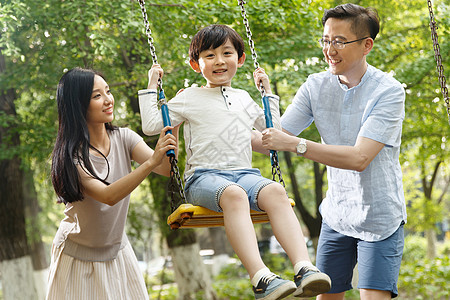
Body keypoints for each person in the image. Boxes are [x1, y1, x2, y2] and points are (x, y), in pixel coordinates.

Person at [138, 24, 331, 300]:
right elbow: (152, 124)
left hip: (245, 174)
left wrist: (267, 94)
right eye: (209, 55)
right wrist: (151, 84)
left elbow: (272, 130)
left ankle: (304, 268)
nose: (219, 61)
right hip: (203, 178)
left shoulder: (244, 99)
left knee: (276, 191)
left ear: (240, 59)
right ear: (196, 64)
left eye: (226, 53)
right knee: (235, 195)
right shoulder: (188, 97)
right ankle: (261, 278)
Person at [256, 3, 407, 300]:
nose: (329, 49)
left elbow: (359, 158)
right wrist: (214, 117)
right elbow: (272, 138)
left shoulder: (388, 91)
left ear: (367, 45)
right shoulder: (316, 85)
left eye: (339, 41)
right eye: (326, 40)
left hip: (379, 218)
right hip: (337, 215)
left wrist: (296, 145)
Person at [46, 67, 178, 299]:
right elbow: (108, 196)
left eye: (107, 91)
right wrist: (149, 163)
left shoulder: (124, 137)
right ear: (78, 105)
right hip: (77, 258)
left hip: (118, 252)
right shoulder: (72, 156)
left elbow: (166, 169)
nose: (108, 100)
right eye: (97, 96)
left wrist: (173, 122)